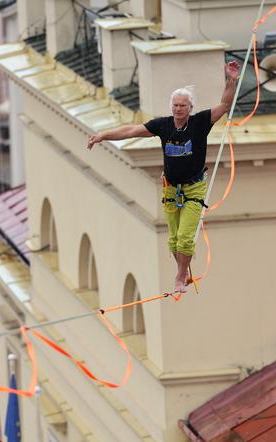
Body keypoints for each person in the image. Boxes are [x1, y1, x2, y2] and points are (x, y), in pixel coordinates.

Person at [87, 61, 240, 293]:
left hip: (194, 187)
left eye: (183, 105)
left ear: (190, 107)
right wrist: (103, 135)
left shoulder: (200, 123)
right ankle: (182, 269)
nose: (179, 109)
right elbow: (131, 131)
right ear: (171, 107)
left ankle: (180, 277)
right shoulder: (163, 125)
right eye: (176, 105)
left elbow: (225, 104)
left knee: (185, 238)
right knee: (173, 240)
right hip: (170, 188)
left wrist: (231, 79)